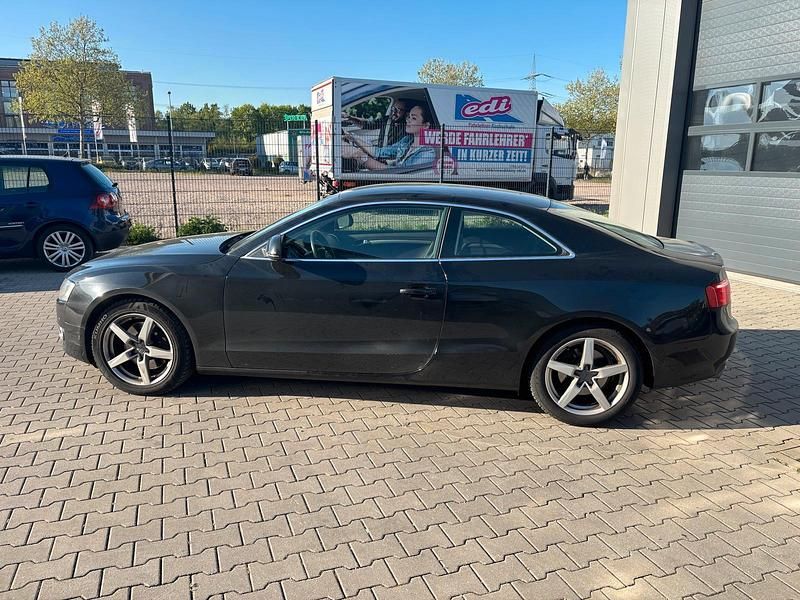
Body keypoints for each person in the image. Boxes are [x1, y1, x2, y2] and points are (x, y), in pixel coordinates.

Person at [341, 104, 436, 171]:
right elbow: (379, 152)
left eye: (413, 118)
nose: (408, 120)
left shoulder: (427, 152)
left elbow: (400, 175)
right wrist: (353, 138)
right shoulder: (407, 141)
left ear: (426, 125)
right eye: (409, 117)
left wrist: (359, 155)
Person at [342, 99, 410, 147]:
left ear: (407, 113)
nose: (394, 112)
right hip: (381, 154)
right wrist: (351, 118)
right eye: (393, 109)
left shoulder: (410, 127)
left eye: (398, 110)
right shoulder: (386, 120)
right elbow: (368, 124)